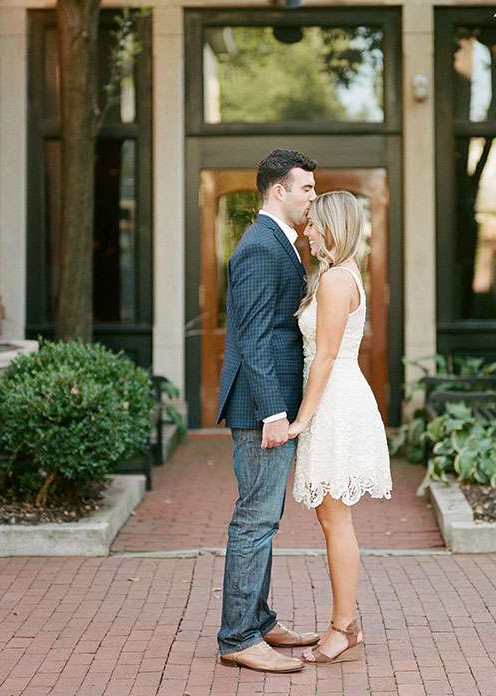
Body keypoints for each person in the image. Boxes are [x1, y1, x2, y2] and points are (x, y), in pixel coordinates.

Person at [215, 149, 320, 673]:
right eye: (306, 189)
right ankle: (237, 637)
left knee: (265, 518)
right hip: (262, 407)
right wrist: (274, 412)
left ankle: (259, 621)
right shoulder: (260, 247)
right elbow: (253, 338)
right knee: (254, 519)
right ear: (279, 190)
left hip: (269, 404)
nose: (312, 198)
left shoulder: (278, 242)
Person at [288, 190, 392, 664]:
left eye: (312, 224)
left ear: (331, 226)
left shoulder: (334, 280)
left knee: (335, 518)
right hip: (337, 399)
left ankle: (343, 628)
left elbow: (326, 355)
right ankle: (345, 623)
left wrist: (303, 418)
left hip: (334, 405)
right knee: (332, 516)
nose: (306, 232)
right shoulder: (343, 273)